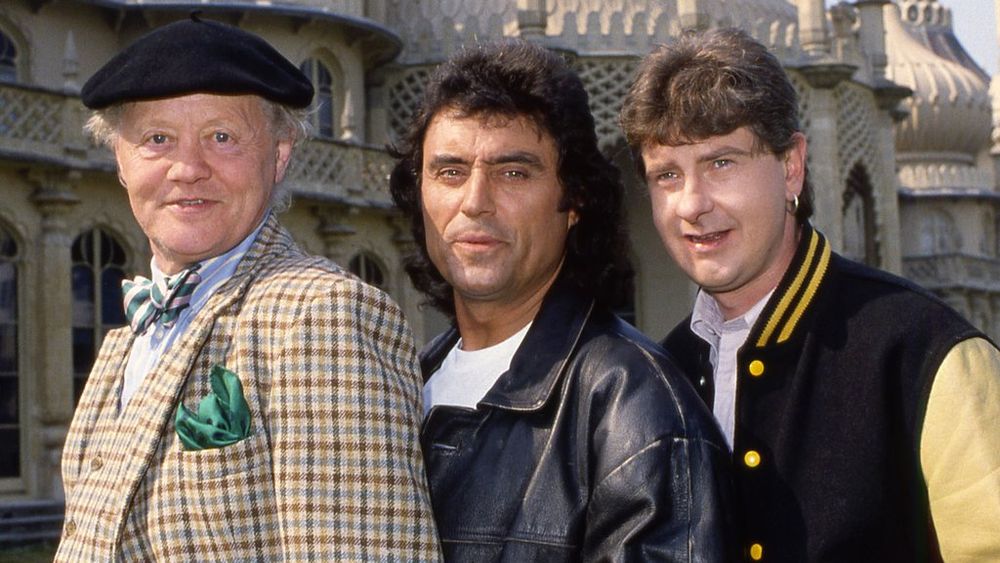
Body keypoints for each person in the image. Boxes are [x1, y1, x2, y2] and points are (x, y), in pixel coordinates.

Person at [56, 15, 440, 561]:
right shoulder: (124, 344)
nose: (187, 169)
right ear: (120, 160)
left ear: (279, 154)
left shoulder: (324, 316)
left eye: (222, 137)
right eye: (157, 139)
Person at [620, 26, 1000, 562]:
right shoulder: (661, 375)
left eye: (721, 163)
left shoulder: (920, 353)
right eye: (666, 176)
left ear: (791, 167)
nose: (691, 204)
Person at [389, 39, 734, 561]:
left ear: (574, 200)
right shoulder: (399, 387)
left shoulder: (632, 405)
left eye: (513, 173)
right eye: (450, 172)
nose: (475, 202)